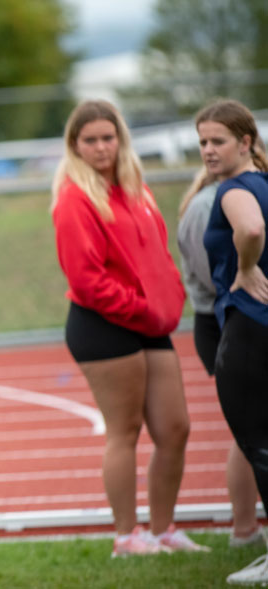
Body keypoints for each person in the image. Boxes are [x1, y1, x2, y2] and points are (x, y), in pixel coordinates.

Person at [50, 100, 209, 557]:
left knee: (175, 427)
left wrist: (170, 298)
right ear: (75, 146)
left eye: (108, 137)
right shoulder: (74, 199)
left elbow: (158, 255)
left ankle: (163, 530)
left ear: (120, 139)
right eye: (90, 140)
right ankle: (127, 536)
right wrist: (143, 308)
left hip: (147, 322)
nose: (101, 147)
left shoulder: (136, 189)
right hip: (102, 326)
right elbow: (87, 280)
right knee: (125, 429)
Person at [195, 99, 268, 585]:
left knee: (258, 445)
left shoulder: (236, 188)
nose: (207, 150)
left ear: (245, 142)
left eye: (217, 140)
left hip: (248, 328)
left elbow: (252, 227)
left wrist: (245, 268)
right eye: (201, 142)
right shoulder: (263, 183)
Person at [178, 168, 263, 548]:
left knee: (253, 426)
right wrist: (245, 275)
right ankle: (244, 528)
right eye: (205, 141)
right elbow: (213, 274)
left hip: (247, 314)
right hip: (221, 319)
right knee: (247, 430)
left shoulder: (250, 190)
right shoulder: (206, 205)